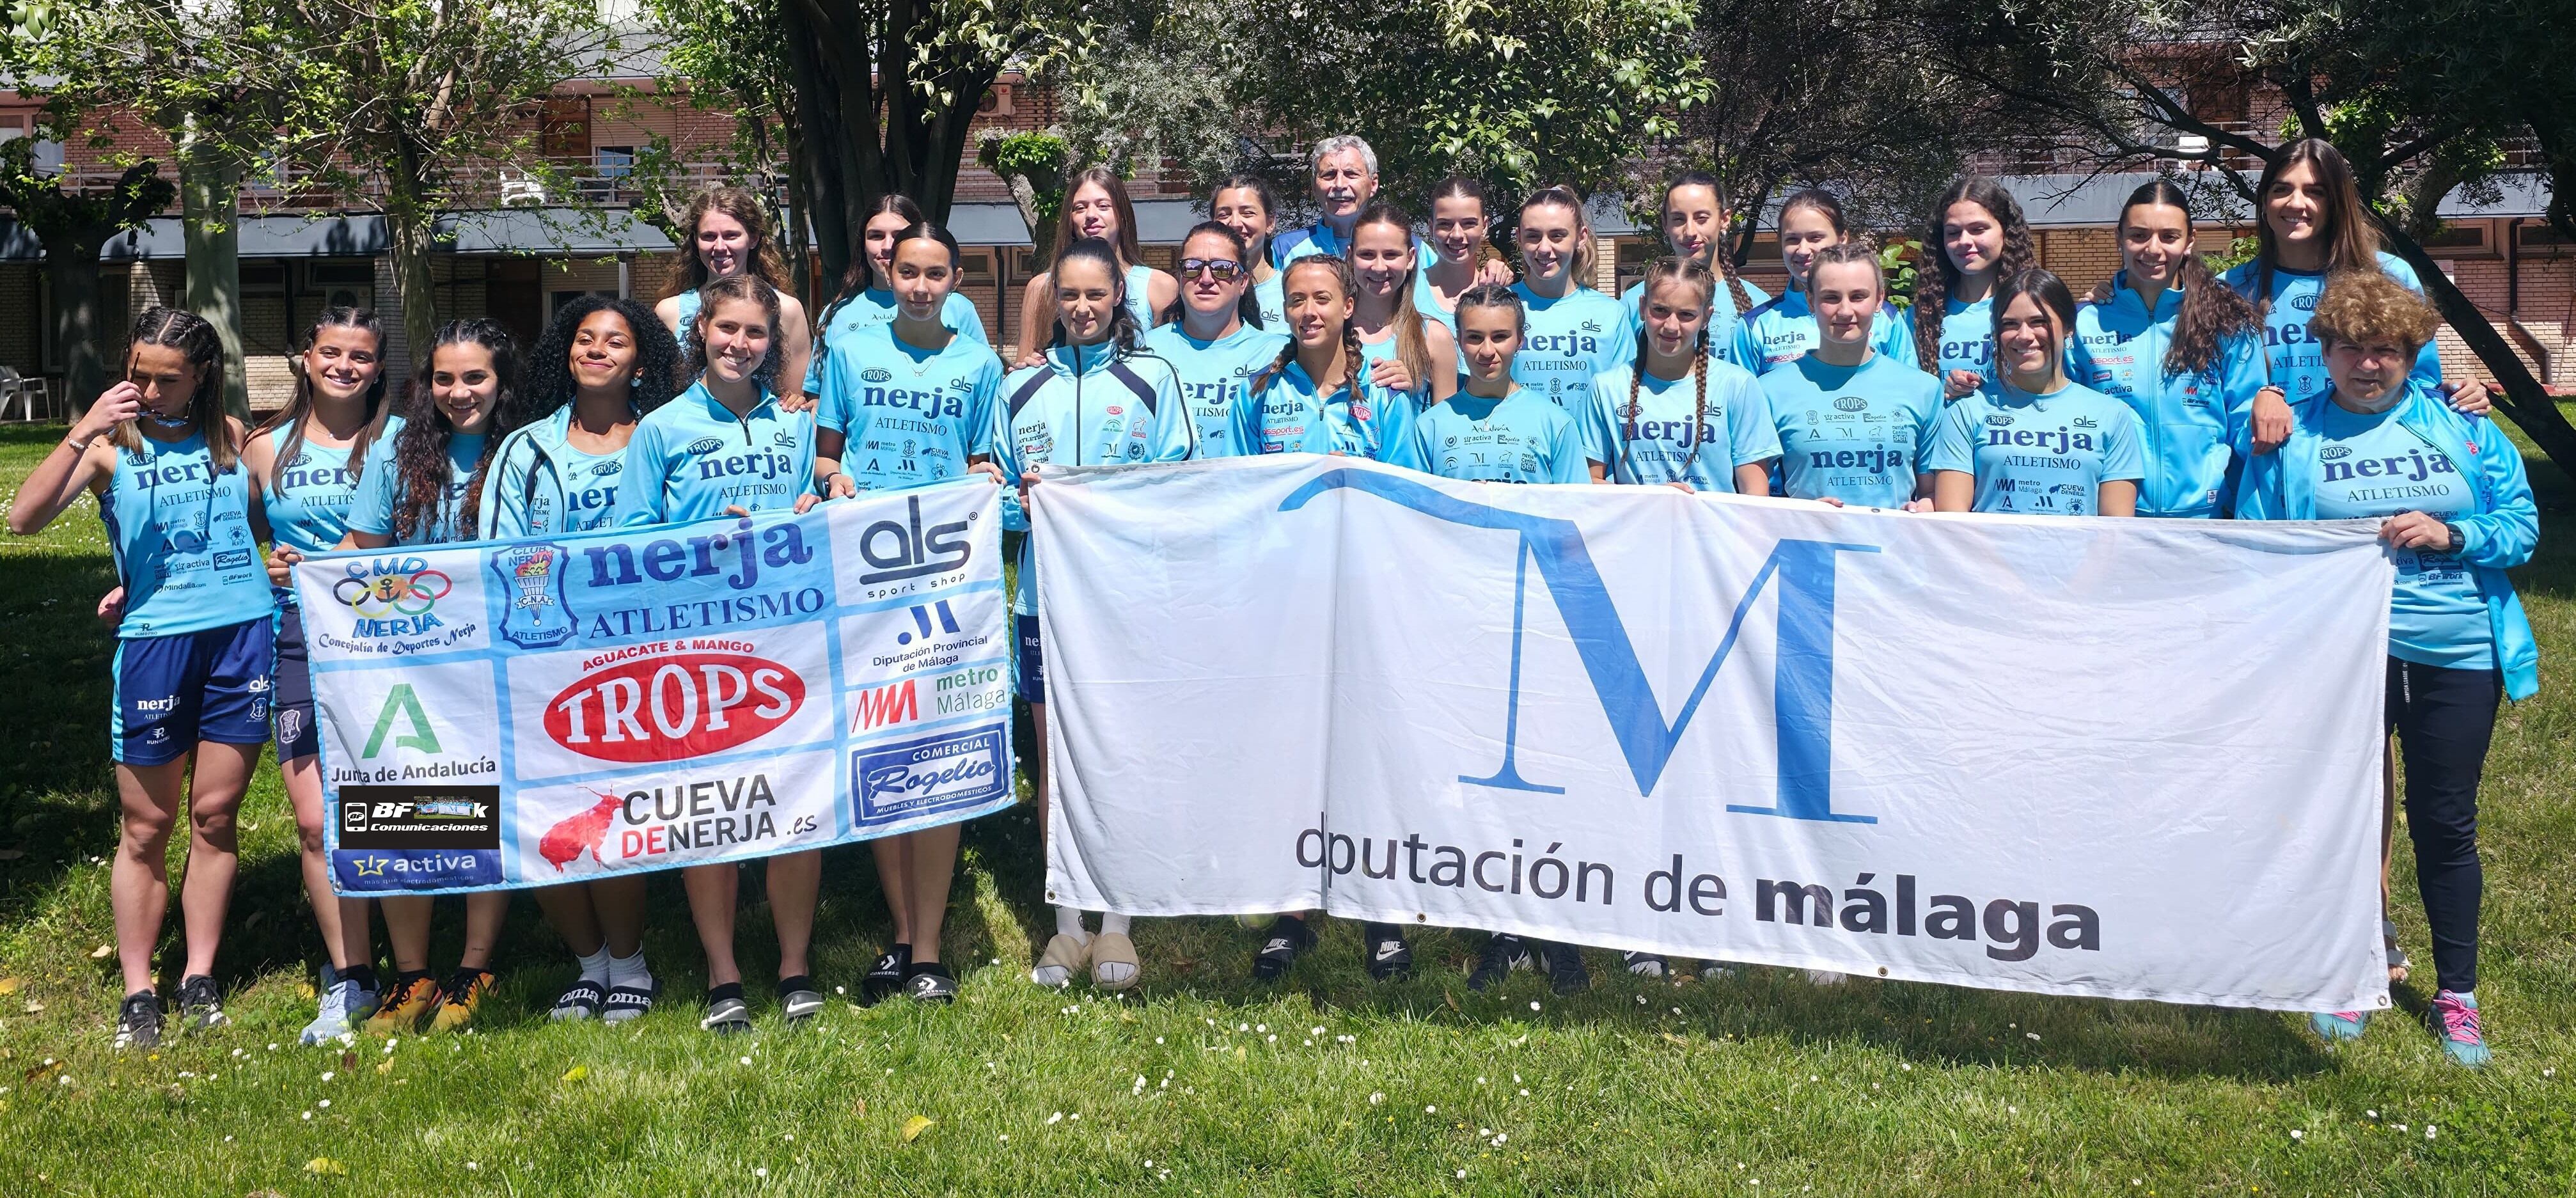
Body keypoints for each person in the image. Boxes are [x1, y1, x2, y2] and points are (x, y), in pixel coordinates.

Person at [2234, 270, 2538, 1068]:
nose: (2366, 365)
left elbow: (2520, 526)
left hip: (2456, 650)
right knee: (2341, 814)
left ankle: (2456, 994)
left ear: (2409, 356)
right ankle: (2349, 967)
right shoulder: (2290, 437)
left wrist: (2452, 535)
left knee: (2444, 820)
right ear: (2324, 352)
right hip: (2338, 657)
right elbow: (2258, 541)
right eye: (2350, 349)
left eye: (2385, 351)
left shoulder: (2462, 428)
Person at [8, 308, 274, 1049]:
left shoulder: (230, 436)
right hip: (157, 646)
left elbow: (257, 528)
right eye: (138, 376)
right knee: (147, 825)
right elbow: (23, 520)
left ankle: (200, 977)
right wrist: (82, 428)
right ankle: (138, 991)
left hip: (242, 636)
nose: (150, 392)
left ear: (202, 376)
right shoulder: (107, 446)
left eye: (168, 379)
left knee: (215, 816)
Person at [617, 274, 835, 1032]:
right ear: (701, 331)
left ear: (772, 343)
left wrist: (812, 505)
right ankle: (722, 973)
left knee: (794, 803)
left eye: (754, 332)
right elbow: (629, 542)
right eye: (727, 329)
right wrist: (702, 538)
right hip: (695, 645)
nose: (739, 344)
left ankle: (795, 965)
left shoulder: (795, 424)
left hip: (787, 638)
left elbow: (821, 506)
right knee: (707, 809)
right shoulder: (660, 428)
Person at [813, 220, 1008, 1006]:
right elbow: (826, 453)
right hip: (866, 572)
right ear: (887, 275)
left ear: (956, 279)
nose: (921, 286)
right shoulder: (849, 349)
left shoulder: (979, 364)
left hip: (945, 577)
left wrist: (984, 476)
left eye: (935, 274)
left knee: (939, 747)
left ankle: (928, 949)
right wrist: (831, 480)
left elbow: (980, 458)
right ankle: (900, 935)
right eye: (907, 272)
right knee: (882, 747)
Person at [996, 237, 1197, 993]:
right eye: (1069, 295)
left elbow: (1179, 482)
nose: (1081, 308)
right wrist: (1019, 504)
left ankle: (1117, 920)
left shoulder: (1152, 377)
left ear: (1119, 297)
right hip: (1044, 599)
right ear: (1053, 300)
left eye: (1095, 294)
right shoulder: (1019, 385)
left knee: (1121, 753)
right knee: (1054, 761)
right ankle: (1068, 923)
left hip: (1126, 599)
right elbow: (995, 493)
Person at [480, 296, 681, 1025]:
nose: (596, 350)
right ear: (565, 353)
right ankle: (588, 962)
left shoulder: (666, 437)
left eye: (615, 341)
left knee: (614, 808)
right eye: (585, 339)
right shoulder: (525, 449)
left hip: (636, 656)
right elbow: (493, 555)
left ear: (642, 360)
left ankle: (629, 963)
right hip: (542, 657)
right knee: (544, 811)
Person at [330, 319, 517, 1034]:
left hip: (492, 658)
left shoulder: (523, 448)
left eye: (475, 377)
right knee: (398, 799)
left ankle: (475, 967)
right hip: (403, 661)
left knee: (484, 803)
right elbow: (363, 545)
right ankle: (411, 973)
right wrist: (308, 570)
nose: (458, 392)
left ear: (501, 381)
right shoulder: (396, 449)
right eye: (444, 378)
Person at [1408, 285, 1590, 994]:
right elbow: (1419, 523)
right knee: (1483, 774)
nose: (1487, 351)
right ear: (1457, 341)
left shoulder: (1552, 421)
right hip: (1465, 618)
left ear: (1521, 340)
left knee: (1544, 770)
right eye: (1475, 338)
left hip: (1536, 615)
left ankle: (1554, 924)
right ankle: (1500, 926)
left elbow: (1574, 521)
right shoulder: (1433, 424)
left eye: (1500, 337)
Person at [240, 308, 393, 1044]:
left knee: (389, 804)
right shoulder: (263, 447)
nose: (344, 366)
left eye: (360, 356)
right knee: (313, 820)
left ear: (378, 366)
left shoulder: (399, 438)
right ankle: (349, 975)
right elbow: (232, 540)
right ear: (305, 357)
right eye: (331, 352)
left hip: (392, 636)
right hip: (299, 636)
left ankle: (418, 957)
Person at [2066, 181, 2276, 519]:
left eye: (2169, 236)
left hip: (2207, 520)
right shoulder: (2083, 325)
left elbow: (2246, 427)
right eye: (2138, 235)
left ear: (2189, 241)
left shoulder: (2227, 321)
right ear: (2119, 238)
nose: (2153, 249)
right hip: (2114, 519)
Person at [1928, 269, 2146, 516]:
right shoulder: (1965, 410)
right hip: (1988, 544)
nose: (2024, 336)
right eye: (2010, 324)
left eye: (2039, 322)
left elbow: (2116, 528)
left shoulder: (2113, 415)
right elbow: (1953, 522)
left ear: (2069, 327)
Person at [1760, 244, 1944, 512]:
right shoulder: (1770, 390)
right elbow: (1751, 498)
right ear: (1811, 301)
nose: (1845, 311)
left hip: (1893, 539)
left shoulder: (1924, 389)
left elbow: (1931, 491)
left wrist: (1925, 506)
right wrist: (1797, 514)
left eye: (1858, 297)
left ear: (1879, 299)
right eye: (1831, 298)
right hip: (1806, 538)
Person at [1585, 255, 1780, 496]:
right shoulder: (1606, 388)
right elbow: (1589, 482)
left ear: (1706, 317)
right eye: (1660, 310)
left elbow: (1755, 492)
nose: (1671, 326)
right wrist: (1653, 498)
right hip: (1635, 522)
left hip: (1714, 522)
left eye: (1686, 314)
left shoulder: (1738, 386)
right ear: (1643, 307)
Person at [1236, 255, 1422, 462]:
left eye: (1322, 299)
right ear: (1285, 312)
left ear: (1348, 307)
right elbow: (1236, 479)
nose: (1309, 311)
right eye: (1297, 301)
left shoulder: (1383, 393)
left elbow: (1406, 480)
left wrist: (1356, 476)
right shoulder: (1256, 392)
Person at [804, 193, 988, 401]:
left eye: (899, 235)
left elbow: (982, 379)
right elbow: (817, 394)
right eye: (876, 236)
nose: (887, 246)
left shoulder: (958, 308)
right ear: (863, 243)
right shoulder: (837, 313)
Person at [656, 186, 814, 402]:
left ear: (754, 238)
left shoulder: (787, 310)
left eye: (731, 236)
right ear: (695, 241)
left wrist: (798, 403)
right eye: (709, 236)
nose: (720, 247)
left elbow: (793, 399)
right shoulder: (670, 312)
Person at [1147, 221, 1291, 457]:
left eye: (1222, 268)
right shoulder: (1145, 350)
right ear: (1180, 277)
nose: (1206, 278)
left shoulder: (1279, 354)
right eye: (1192, 267)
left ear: (1243, 282)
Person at [1734, 190, 1917, 375]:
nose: (1803, 250)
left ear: (1842, 239)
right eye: (1792, 239)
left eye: (1815, 238)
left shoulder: (1886, 319)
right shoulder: (1757, 326)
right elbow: (1741, 392)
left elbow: (1909, 386)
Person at [1016, 167, 1179, 363]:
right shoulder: (1041, 288)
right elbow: (1023, 367)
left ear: (1122, 214)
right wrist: (1029, 365)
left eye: (1103, 206)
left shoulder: (1159, 286)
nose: (1091, 215)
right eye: (1080, 208)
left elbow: (1169, 363)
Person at [1905, 177, 2036, 401]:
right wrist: (1941, 392)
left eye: (1978, 229)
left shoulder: (2038, 307)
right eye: (1953, 232)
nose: (1964, 241)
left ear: (2006, 231)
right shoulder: (1920, 317)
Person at [1621, 171, 1768, 369]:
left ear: (1724, 219)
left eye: (1701, 218)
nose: (1690, 231)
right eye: (1678, 219)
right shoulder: (1633, 304)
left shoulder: (1759, 306)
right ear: (1665, 224)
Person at [1508, 185, 1633, 409]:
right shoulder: (1500, 306)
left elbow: (1624, 399)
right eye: (1533, 236)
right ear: (1519, 238)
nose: (1544, 248)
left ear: (1581, 237)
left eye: (1557, 236)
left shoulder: (1611, 314)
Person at [1349, 201, 1460, 402]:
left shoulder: (1435, 337)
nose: (1379, 267)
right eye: (1367, 254)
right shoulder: (1331, 333)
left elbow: (1444, 421)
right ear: (1350, 257)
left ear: (1410, 258)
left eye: (1391, 255)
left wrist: (1407, 398)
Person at [1211, 175, 1289, 329]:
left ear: (1270, 223)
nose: (1235, 223)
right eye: (1224, 214)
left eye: (1247, 213)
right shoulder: (1203, 290)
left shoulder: (1290, 291)